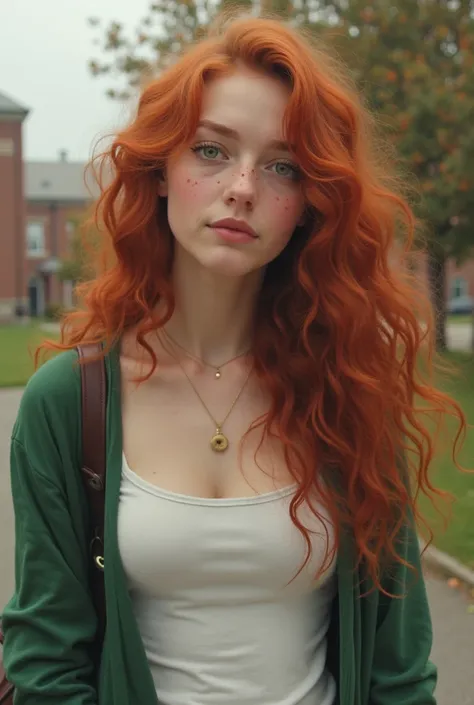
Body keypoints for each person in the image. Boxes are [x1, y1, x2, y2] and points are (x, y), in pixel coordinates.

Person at [2, 9, 467, 705]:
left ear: (310, 204)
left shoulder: (349, 391)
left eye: (282, 166)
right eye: (212, 150)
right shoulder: (70, 401)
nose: (243, 187)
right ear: (161, 169)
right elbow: (45, 665)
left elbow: (398, 672)